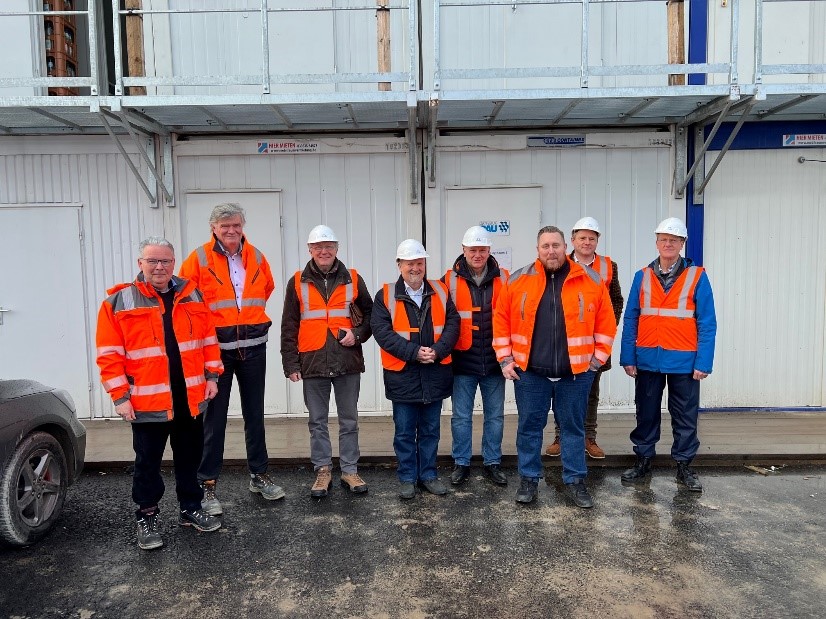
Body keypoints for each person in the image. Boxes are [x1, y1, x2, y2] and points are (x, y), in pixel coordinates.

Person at [96, 237, 223, 550]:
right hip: (147, 400)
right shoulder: (119, 302)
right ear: (140, 263)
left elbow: (208, 339)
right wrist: (120, 397)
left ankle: (190, 508)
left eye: (165, 260)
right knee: (148, 462)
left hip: (189, 396)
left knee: (189, 457)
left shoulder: (191, 293)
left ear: (173, 262)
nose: (159, 267)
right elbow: (109, 355)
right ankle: (147, 515)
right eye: (152, 261)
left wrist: (212, 376)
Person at [493, 226, 616, 507]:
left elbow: (606, 323)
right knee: (529, 428)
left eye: (556, 245)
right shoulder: (518, 280)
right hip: (531, 373)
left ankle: (575, 481)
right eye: (545, 246)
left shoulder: (590, 279)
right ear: (537, 249)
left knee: (573, 429)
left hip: (576, 374)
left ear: (565, 247)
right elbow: (501, 322)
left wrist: (596, 360)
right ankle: (528, 479)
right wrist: (505, 358)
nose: (551, 251)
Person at [179, 203, 283, 516]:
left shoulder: (257, 256)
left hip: (253, 347)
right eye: (224, 226)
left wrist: (245, 320)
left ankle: (259, 476)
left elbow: (266, 289)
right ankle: (207, 485)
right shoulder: (197, 259)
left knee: (255, 415)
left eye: (236, 225)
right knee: (213, 420)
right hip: (215, 352)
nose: (231, 231)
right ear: (213, 228)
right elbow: (186, 301)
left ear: (242, 226)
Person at [619, 217, 717, 492]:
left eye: (674, 240)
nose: (668, 243)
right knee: (646, 413)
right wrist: (628, 356)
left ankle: (684, 466)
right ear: (657, 242)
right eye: (664, 239)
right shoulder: (642, 275)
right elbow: (631, 319)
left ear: (683, 244)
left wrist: (703, 362)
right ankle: (643, 461)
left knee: (685, 415)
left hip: (685, 360)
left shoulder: (697, 276)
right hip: (648, 358)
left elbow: (707, 322)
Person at [280, 225, 374, 498]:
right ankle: (323, 471)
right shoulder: (297, 281)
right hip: (312, 362)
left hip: (347, 360)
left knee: (349, 420)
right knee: (317, 421)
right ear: (309, 250)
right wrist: (291, 364)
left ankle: (349, 470)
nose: (324, 251)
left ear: (337, 248)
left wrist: (356, 335)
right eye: (318, 247)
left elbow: (371, 317)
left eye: (329, 246)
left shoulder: (353, 279)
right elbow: (289, 325)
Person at [371, 239, 460, 500]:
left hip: (435, 372)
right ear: (399, 265)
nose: (415, 268)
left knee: (431, 430)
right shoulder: (384, 295)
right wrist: (414, 353)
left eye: (419, 262)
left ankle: (429, 475)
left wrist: (438, 350)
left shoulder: (441, 291)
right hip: (404, 376)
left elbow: (453, 325)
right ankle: (408, 478)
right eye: (409, 263)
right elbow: (382, 332)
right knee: (405, 432)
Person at [545, 217, 624, 460]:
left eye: (592, 238)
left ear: (597, 241)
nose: (587, 242)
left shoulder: (609, 267)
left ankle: (589, 437)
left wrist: (604, 330)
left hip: (595, 345)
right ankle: (561, 436)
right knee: (561, 391)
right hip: (565, 343)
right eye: (582, 238)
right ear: (572, 241)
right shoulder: (560, 264)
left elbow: (616, 302)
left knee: (591, 392)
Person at [442, 226, 509, 487]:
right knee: (461, 417)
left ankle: (492, 462)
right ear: (463, 250)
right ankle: (462, 462)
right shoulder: (447, 280)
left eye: (482, 250)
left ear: (489, 250)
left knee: (495, 416)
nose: (478, 254)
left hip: (494, 361)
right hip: (462, 361)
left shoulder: (504, 278)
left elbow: (511, 318)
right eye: (473, 250)